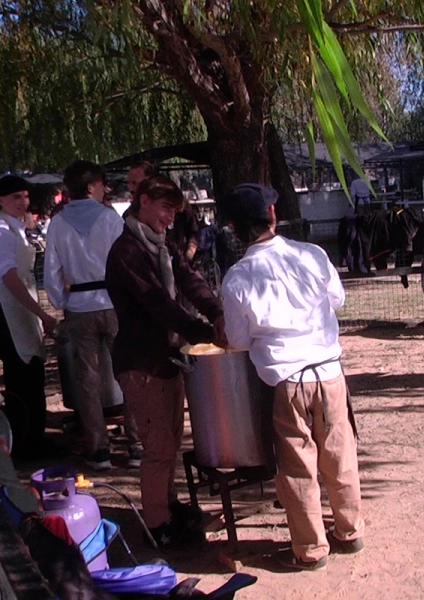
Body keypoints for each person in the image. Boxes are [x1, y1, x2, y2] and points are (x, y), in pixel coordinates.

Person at [219, 183, 364, 571]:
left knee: (298, 465)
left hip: (286, 380)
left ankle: (311, 549)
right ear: (272, 216)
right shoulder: (312, 254)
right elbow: (338, 299)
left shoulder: (236, 278)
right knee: (339, 453)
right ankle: (349, 531)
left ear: (235, 228)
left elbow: (237, 339)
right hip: (329, 371)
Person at [106, 175, 226, 549]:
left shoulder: (162, 245)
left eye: (175, 211)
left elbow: (189, 279)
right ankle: (157, 526)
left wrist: (216, 311)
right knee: (157, 447)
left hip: (167, 359)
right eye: (165, 209)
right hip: (141, 363)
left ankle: (167, 505)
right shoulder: (126, 251)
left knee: (170, 441)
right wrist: (204, 331)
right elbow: (157, 303)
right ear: (143, 201)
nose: (170, 218)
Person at [44, 160, 140, 470]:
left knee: (87, 380)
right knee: (128, 373)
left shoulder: (57, 224)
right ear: (90, 187)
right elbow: (126, 261)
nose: (104, 190)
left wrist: (62, 302)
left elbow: (52, 271)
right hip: (113, 302)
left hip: (80, 306)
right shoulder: (110, 219)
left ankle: (99, 449)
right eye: (101, 185)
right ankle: (137, 444)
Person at [0, 176, 57, 459]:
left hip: (24, 305)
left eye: (24, 196)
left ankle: (35, 436)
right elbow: (9, 277)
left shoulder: (18, 227)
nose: (22, 202)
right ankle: (24, 443)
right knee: (22, 376)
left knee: (32, 373)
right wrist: (40, 313)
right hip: (9, 309)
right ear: (1, 200)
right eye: (15, 198)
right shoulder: (2, 232)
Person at [127, 161, 199, 260]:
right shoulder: (127, 249)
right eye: (128, 183)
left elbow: (194, 232)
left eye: (135, 183)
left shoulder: (181, 206)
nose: (130, 188)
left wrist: (189, 254)